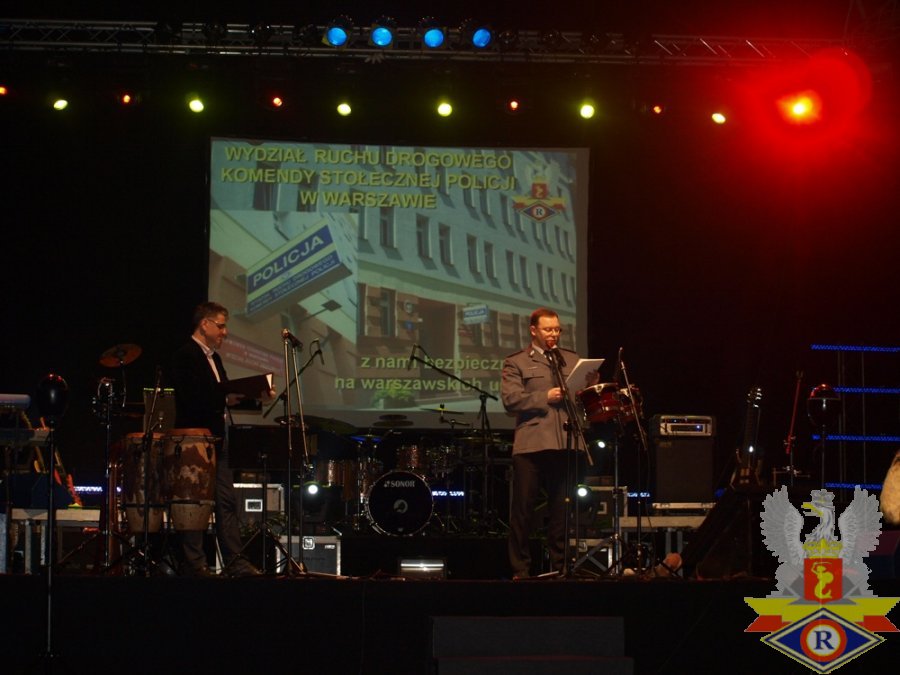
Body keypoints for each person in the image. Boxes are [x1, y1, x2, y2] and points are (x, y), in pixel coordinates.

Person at [169, 301, 261, 577]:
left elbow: (222, 395)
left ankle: (235, 561)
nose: (225, 332)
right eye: (220, 326)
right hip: (194, 441)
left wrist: (250, 394)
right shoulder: (185, 355)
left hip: (217, 439)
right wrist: (223, 396)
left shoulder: (215, 359)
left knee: (226, 501)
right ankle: (195, 563)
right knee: (194, 501)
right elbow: (192, 397)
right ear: (204, 324)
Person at [501, 307, 584, 579]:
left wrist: (590, 384)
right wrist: (543, 397)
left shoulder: (570, 359)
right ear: (533, 330)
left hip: (565, 442)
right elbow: (511, 400)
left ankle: (560, 567)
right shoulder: (516, 362)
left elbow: (581, 398)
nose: (554, 334)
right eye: (548, 329)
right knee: (523, 511)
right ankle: (520, 569)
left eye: (557, 329)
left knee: (562, 510)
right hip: (532, 445)